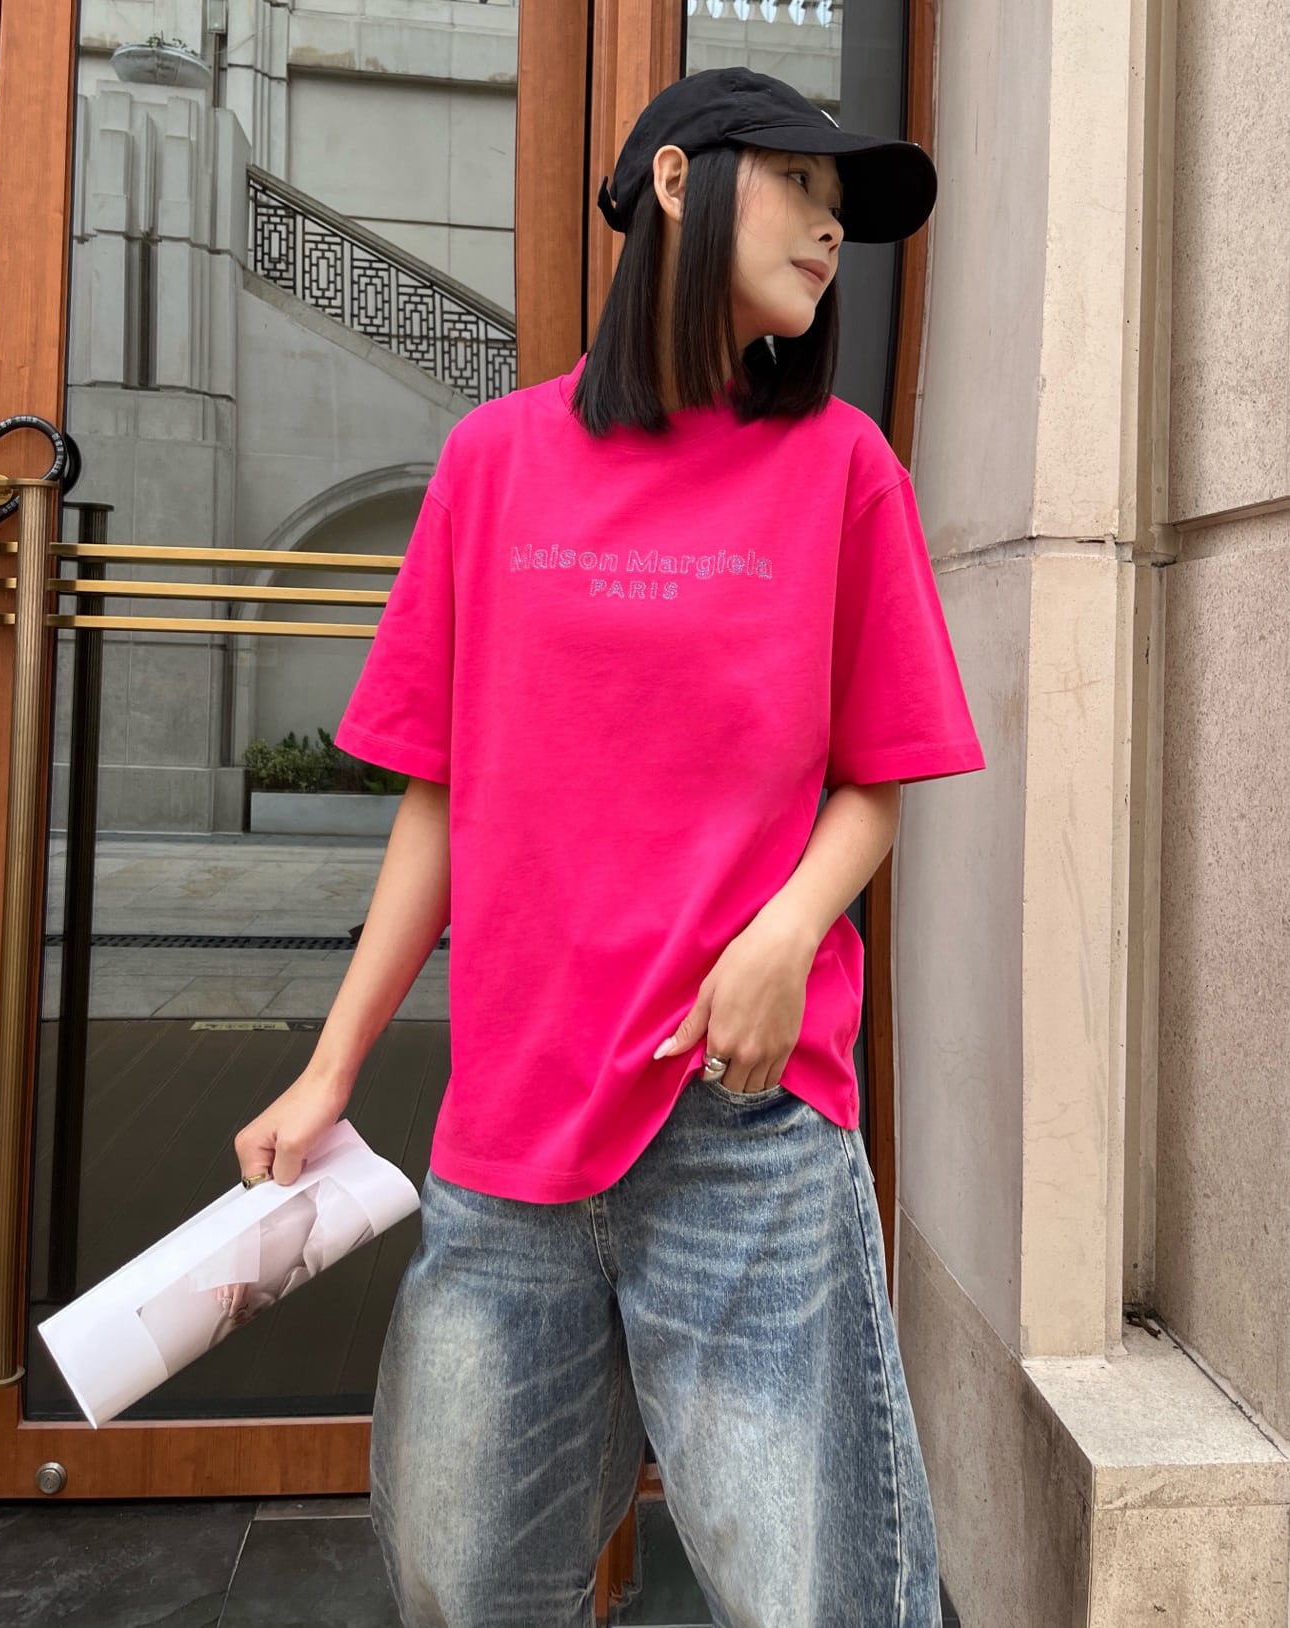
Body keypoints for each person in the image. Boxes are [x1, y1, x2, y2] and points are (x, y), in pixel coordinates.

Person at [234, 65, 985, 1628]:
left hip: (742, 1128)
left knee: (819, 1598)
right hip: (511, 1128)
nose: (831, 231)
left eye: (843, 212)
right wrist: (330, 1068)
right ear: (675, 181)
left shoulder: (840, 465)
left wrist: (783, 936)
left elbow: (877, 779)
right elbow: (440, 797)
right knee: (461, 1586)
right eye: (802, 186)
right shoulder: (493, 462)